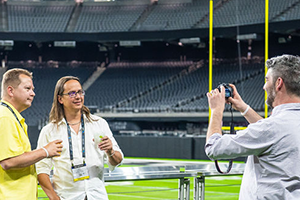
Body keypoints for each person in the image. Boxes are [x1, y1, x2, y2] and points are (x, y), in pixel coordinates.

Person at [205, 54, 300, 199]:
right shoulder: (283, 125)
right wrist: (243, 108)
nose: (264, 86)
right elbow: (272, 135)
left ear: (278, 83)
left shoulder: (272, 128)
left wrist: (216, 111)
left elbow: (214, 148)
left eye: (267, 80)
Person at [36, 76, 124, 200]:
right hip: (67, 197)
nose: (78, 97)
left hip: (97, 196)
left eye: (80, 92)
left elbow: (118, 160)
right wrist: (54, 198)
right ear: (60, 99)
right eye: (72, 93)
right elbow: (41, 169)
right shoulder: (49, 131)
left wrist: (110, 151)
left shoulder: (99, 123)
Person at [0, 68, 63, 200]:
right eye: (27, 88)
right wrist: (45, 151)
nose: (33, 93)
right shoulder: (5, 117)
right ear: (10, 90)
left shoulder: (11, 116)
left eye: (32, 89)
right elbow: (8, 161)